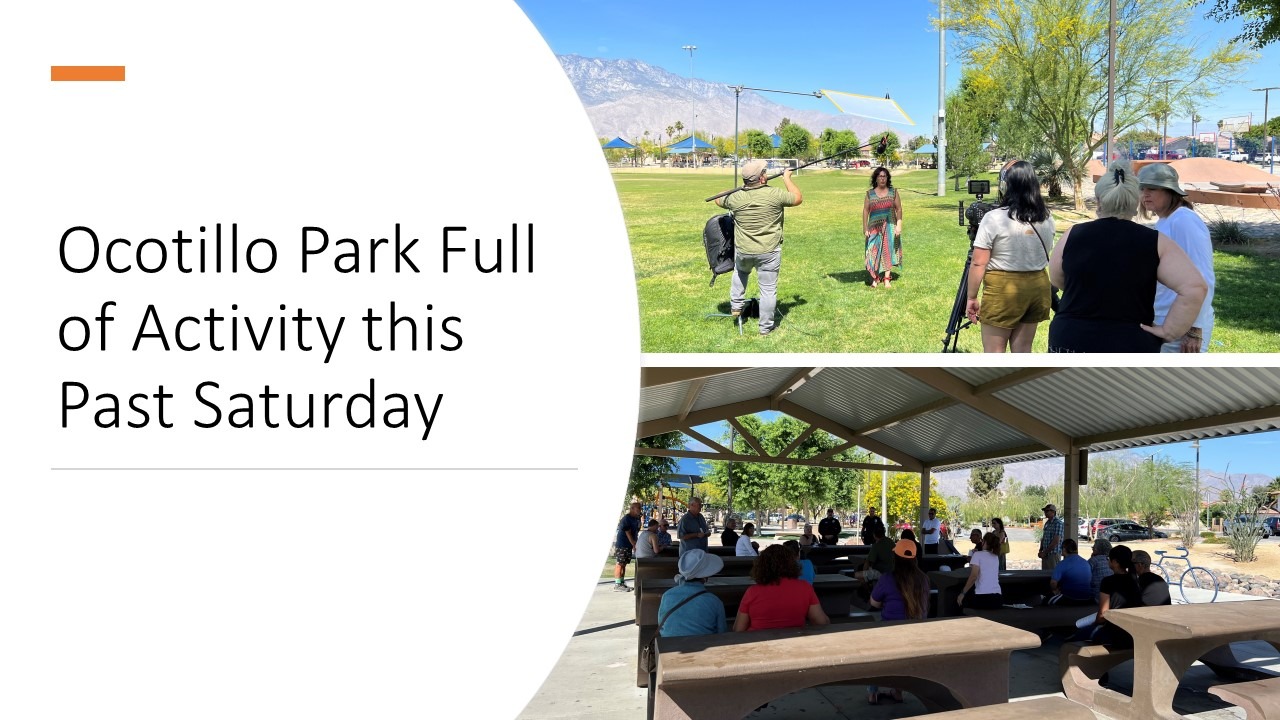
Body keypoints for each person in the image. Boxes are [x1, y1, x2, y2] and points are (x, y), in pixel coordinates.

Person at [1047, 159, 1207, 352]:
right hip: (1130, 341)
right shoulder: (1156, 242)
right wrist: (1170, 331)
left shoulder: (1072, 234)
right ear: (1134, 201)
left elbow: (1057, 278)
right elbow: (1195, 287)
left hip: (1070, 339)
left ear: (1099, 201)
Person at [965, 160, 1056, 352]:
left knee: (994, 353)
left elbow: (978, 263)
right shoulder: (1047, 218)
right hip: (1038, 286)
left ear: (1006, 185)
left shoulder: (994, 217)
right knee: (1023, 350)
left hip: (1004, 289)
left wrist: (971, 297)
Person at [713, 159, 802, 336]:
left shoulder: (735, 197)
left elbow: (718, 198)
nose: (767, 174)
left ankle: (736, 306)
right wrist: (787, 178)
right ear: (761, 178)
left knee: (740, 273)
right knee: (768, 290)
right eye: (764, 172)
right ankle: (765, 327)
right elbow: (797, 198)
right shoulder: (775, 194)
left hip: (744, 250)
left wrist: (742, 187)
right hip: (769, 251)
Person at [1138, 163, 1215, 353]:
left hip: (1185, 325)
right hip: (1167, 319)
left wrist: (1195, 328)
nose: (1145, 194)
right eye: (1142, 188)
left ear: (1170, 191)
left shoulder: (1184, 220)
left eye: (1153, 189)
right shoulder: (1165, 220)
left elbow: (1203, 276)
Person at [867, 539, 931, 705]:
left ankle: (872, 693)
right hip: (917, 635)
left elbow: (874, 603)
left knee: (872, 652)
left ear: (895, 557)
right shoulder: (924, 579)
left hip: (890, 633)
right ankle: (897, 692)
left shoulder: (888, 578)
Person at [733, 544, 830, 631]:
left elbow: (738, 628)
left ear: (761, 566)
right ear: (792, 564)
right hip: (794, 642)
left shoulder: (752, 592)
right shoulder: (805, 587)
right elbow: (820, 622)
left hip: (758, 644)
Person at [1075, 545, 1143, 647]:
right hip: (1132, 632)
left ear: (1114, 562)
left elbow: (1102, 615)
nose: (1107, 561)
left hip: (1114, 632)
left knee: (1077, 636)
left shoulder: (1108, 581)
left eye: (1108, 559)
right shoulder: (1136, 581)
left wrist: (1094, 622)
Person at [656, 549, 727, 637]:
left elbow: (661, 625)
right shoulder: (714, 601)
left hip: (668, 646)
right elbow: (722, 633)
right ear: (705, 577)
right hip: (702, 646)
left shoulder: (667, 595)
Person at [863, 166, 904, 288]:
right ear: (876, 178)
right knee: (872, 251)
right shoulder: (869, 194)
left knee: (887, 251)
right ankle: (875, 277)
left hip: (889, 225)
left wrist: (899, 225)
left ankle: (886, 279)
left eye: (884, 176)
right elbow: (865, 211)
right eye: (880, 176)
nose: (882, 178)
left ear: (888, 178)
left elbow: (899, 209)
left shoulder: (894, 192)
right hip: (874, 227)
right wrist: (865, 228)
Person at [957, 532, 1004, 610]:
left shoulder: (977, 555)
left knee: (961, 605)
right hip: (997, 598)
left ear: (985, 542)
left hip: (982, 597)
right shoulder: (995, 557)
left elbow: (973, 577)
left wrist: (963, 593)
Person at [1046, 539, 1095, 606]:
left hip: (1070, 598)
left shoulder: (1062, 564)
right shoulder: (1085, 562)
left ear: (1064, 549)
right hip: (1087, 598)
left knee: (1046, 599)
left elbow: (1053, 583)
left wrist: (1055, 590)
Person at [613, 502, 642, 592]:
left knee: (624, 564)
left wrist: (635, 543)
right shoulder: (626, 519)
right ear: (632, 508)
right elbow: (628, 533)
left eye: (640, 508)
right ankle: (617, 584)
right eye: (638, 508)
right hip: (622, 544)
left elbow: (635, 533)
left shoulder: (636, 519)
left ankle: (622, 582)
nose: (639, 510)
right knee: (620, 563)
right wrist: (634, 544)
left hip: (629, 544)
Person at [1039, 503, 1064, 571]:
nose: (1045, 513)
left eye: (1047, 511)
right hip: (1046, 554)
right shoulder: (1047, 523)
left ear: (1053, 512)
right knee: (1044, 574)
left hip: (1053, 554)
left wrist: (1045, 552)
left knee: (1053, 574)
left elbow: (1056, 541)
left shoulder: (1058, 523)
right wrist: (1041, 550)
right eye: (1045, 511)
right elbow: (1044, 537)